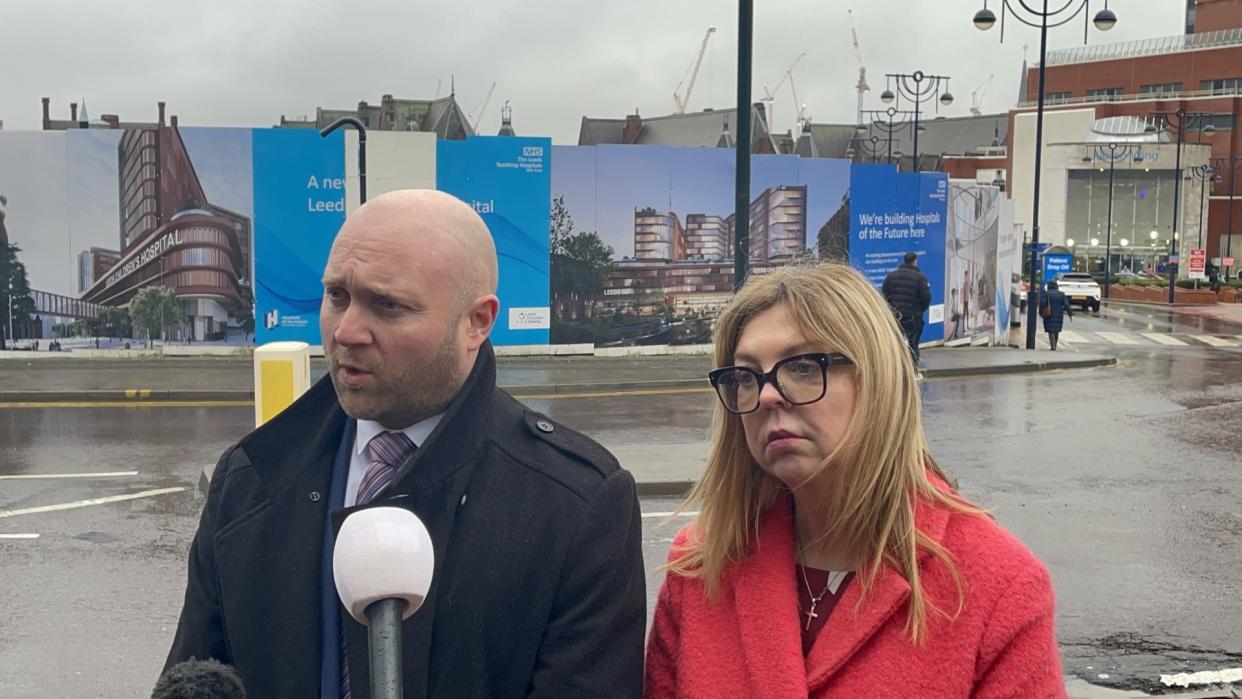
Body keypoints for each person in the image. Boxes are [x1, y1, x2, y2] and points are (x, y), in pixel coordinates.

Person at [165, 190, 646, 698]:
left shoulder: (575, 506)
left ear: (476, 322)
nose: (347, 331)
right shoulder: (250, 480)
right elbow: (195, 674)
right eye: (336, 296)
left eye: (387, 305)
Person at [645, 262, 1062, 698]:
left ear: (877, 380)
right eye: (746, 376)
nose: (767, 395)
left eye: (803, 366)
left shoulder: (999, 586)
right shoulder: (700, 565)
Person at [880, 252, 931, 369]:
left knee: (895, 343)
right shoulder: (921, 278)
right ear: (915, 261)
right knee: (913, 345)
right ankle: (912, 371)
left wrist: (891, 309)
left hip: (896, 316)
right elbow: (926, 297)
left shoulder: (891, 276)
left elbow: (884, 294)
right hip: (913, 317)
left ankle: (895, 370)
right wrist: (919, 310)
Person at [1040, 280, 1073, 351]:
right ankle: (1055, 344)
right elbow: (1066, 304)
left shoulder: (1046, 294)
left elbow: (1042, 304)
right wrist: (1070, 313)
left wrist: (1041, 313)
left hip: (1049, 314)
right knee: (1056, 330)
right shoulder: (1061, 294)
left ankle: (1053, 345)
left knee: (1050, 330)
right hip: (1059, 314)